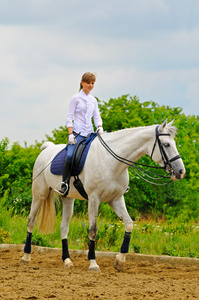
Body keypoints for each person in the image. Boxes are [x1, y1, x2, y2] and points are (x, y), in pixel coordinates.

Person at [57, 72, 103, 196]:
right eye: (88, 83)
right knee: (70, 156)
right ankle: (65, 184)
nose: (91, 85)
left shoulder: (93, 100)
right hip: (77, 134)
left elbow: (97, 116)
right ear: (82, 83)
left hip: (90, 134)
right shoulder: (75, 98)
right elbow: (69, 117)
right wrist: (70, 134)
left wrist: (100, 126)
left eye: (93, 83)